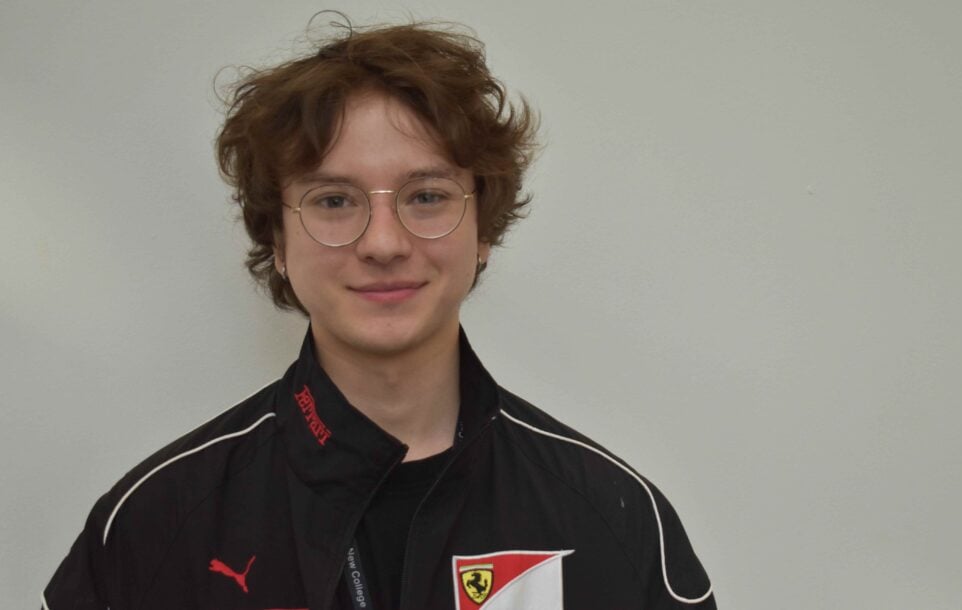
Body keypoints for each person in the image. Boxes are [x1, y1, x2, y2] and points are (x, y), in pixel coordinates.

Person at [42, 18, 715, 610]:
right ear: (276, 239)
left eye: (426, 196)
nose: (385, 243)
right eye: (334, 201)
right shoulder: (158, 524)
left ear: (482, 230)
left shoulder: (616, 521)